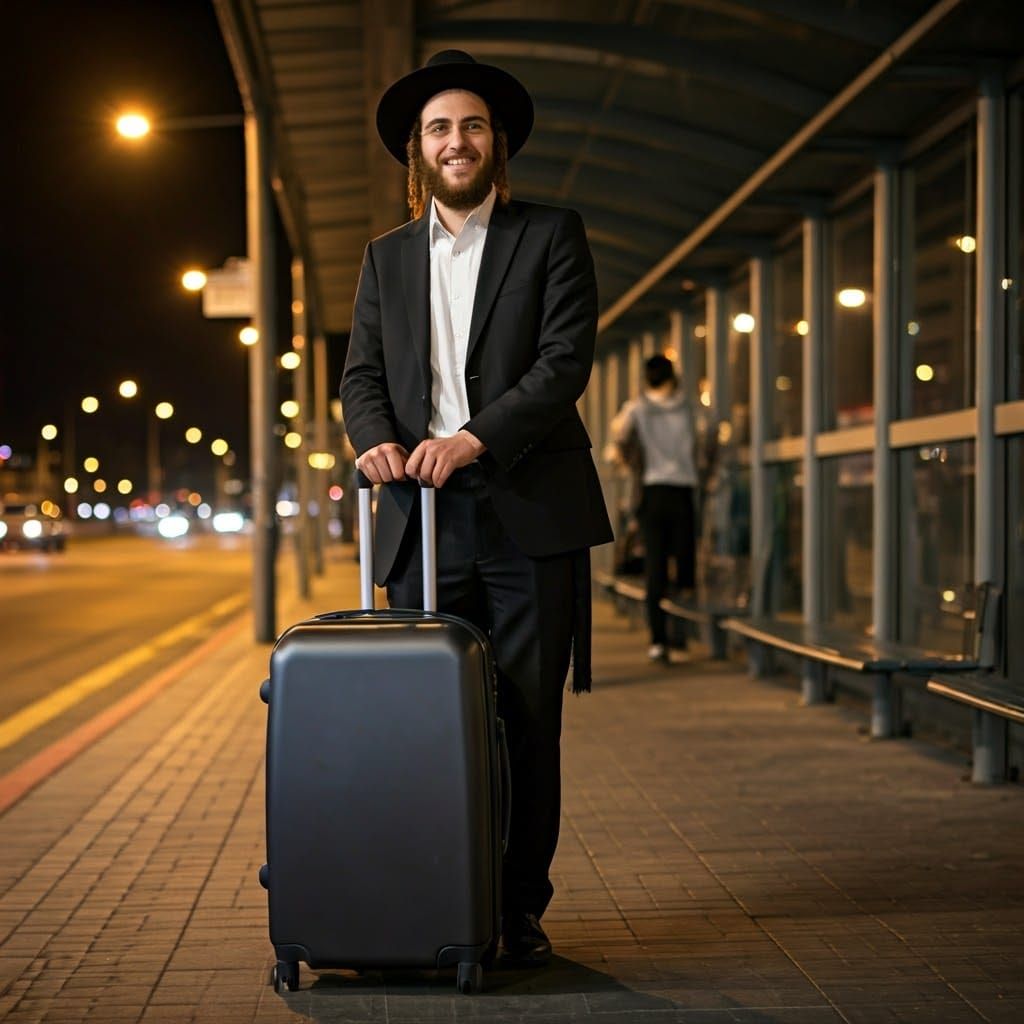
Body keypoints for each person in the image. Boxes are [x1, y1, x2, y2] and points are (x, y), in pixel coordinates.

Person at [340, 49, 612, 965]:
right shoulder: (384, 259)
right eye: (439, 129)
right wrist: (373, 436)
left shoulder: (551, 234)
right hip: (423, 517)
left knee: (529, 715)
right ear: (417, 152)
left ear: (499, 144)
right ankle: (443, 897)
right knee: (433, 714)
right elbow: (362, 377)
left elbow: (564, 362)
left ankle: (518, 910)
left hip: (530, 509)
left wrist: (475, 437)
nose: (457, 141)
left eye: (473, 126)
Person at [611, 354, 698, 663]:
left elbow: (619, 439)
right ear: (673, 377)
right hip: (683, 491)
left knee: (655, 568)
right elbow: (710, 435)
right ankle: (680, 635)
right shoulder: (689, 407)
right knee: (684, 566)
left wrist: (633, 462)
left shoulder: (637, 408)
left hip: (651, 492)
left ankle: (658, 640)